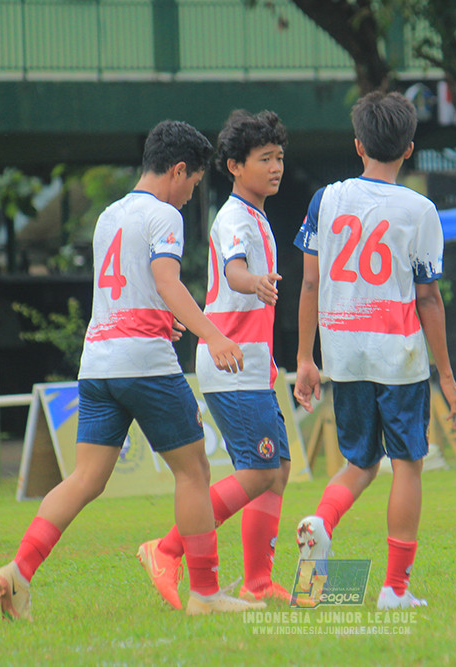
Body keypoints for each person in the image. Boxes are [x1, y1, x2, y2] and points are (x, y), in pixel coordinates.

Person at [0, 120, 265, 619]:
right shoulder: (164, 216)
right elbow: (165, 281)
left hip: (97, 365)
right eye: (194, 184)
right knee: (195, 471)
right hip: (146, 366)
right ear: (179, 170)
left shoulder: (109, 215)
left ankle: (19, 570)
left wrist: (167, 321)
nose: (189, 197)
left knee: (85, 479)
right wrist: (213, 334)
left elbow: (127, 292)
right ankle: (205, 593)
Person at [292, 91, 456, 611]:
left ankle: (322, 521)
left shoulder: (325, 199)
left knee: (359, 462)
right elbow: (429, 297)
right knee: (408, 465)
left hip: (343, 354)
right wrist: (449, 377)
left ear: (358, 144)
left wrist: (307, 359)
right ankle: (394, 589)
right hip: (398, 357)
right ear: (409, 148)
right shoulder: (420, 209)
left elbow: (308, 285)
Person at [136, 110, 292, 609]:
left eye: (280, 158)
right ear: (234, 166)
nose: (276, 167)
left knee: (279, 467)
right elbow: (235, 272)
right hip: (232, 363)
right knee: (261, 470)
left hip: (252, 363)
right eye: (264, 159)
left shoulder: (257, 216)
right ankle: (165, 548)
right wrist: (255, 283)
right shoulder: (233, 219)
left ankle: (258, 581)